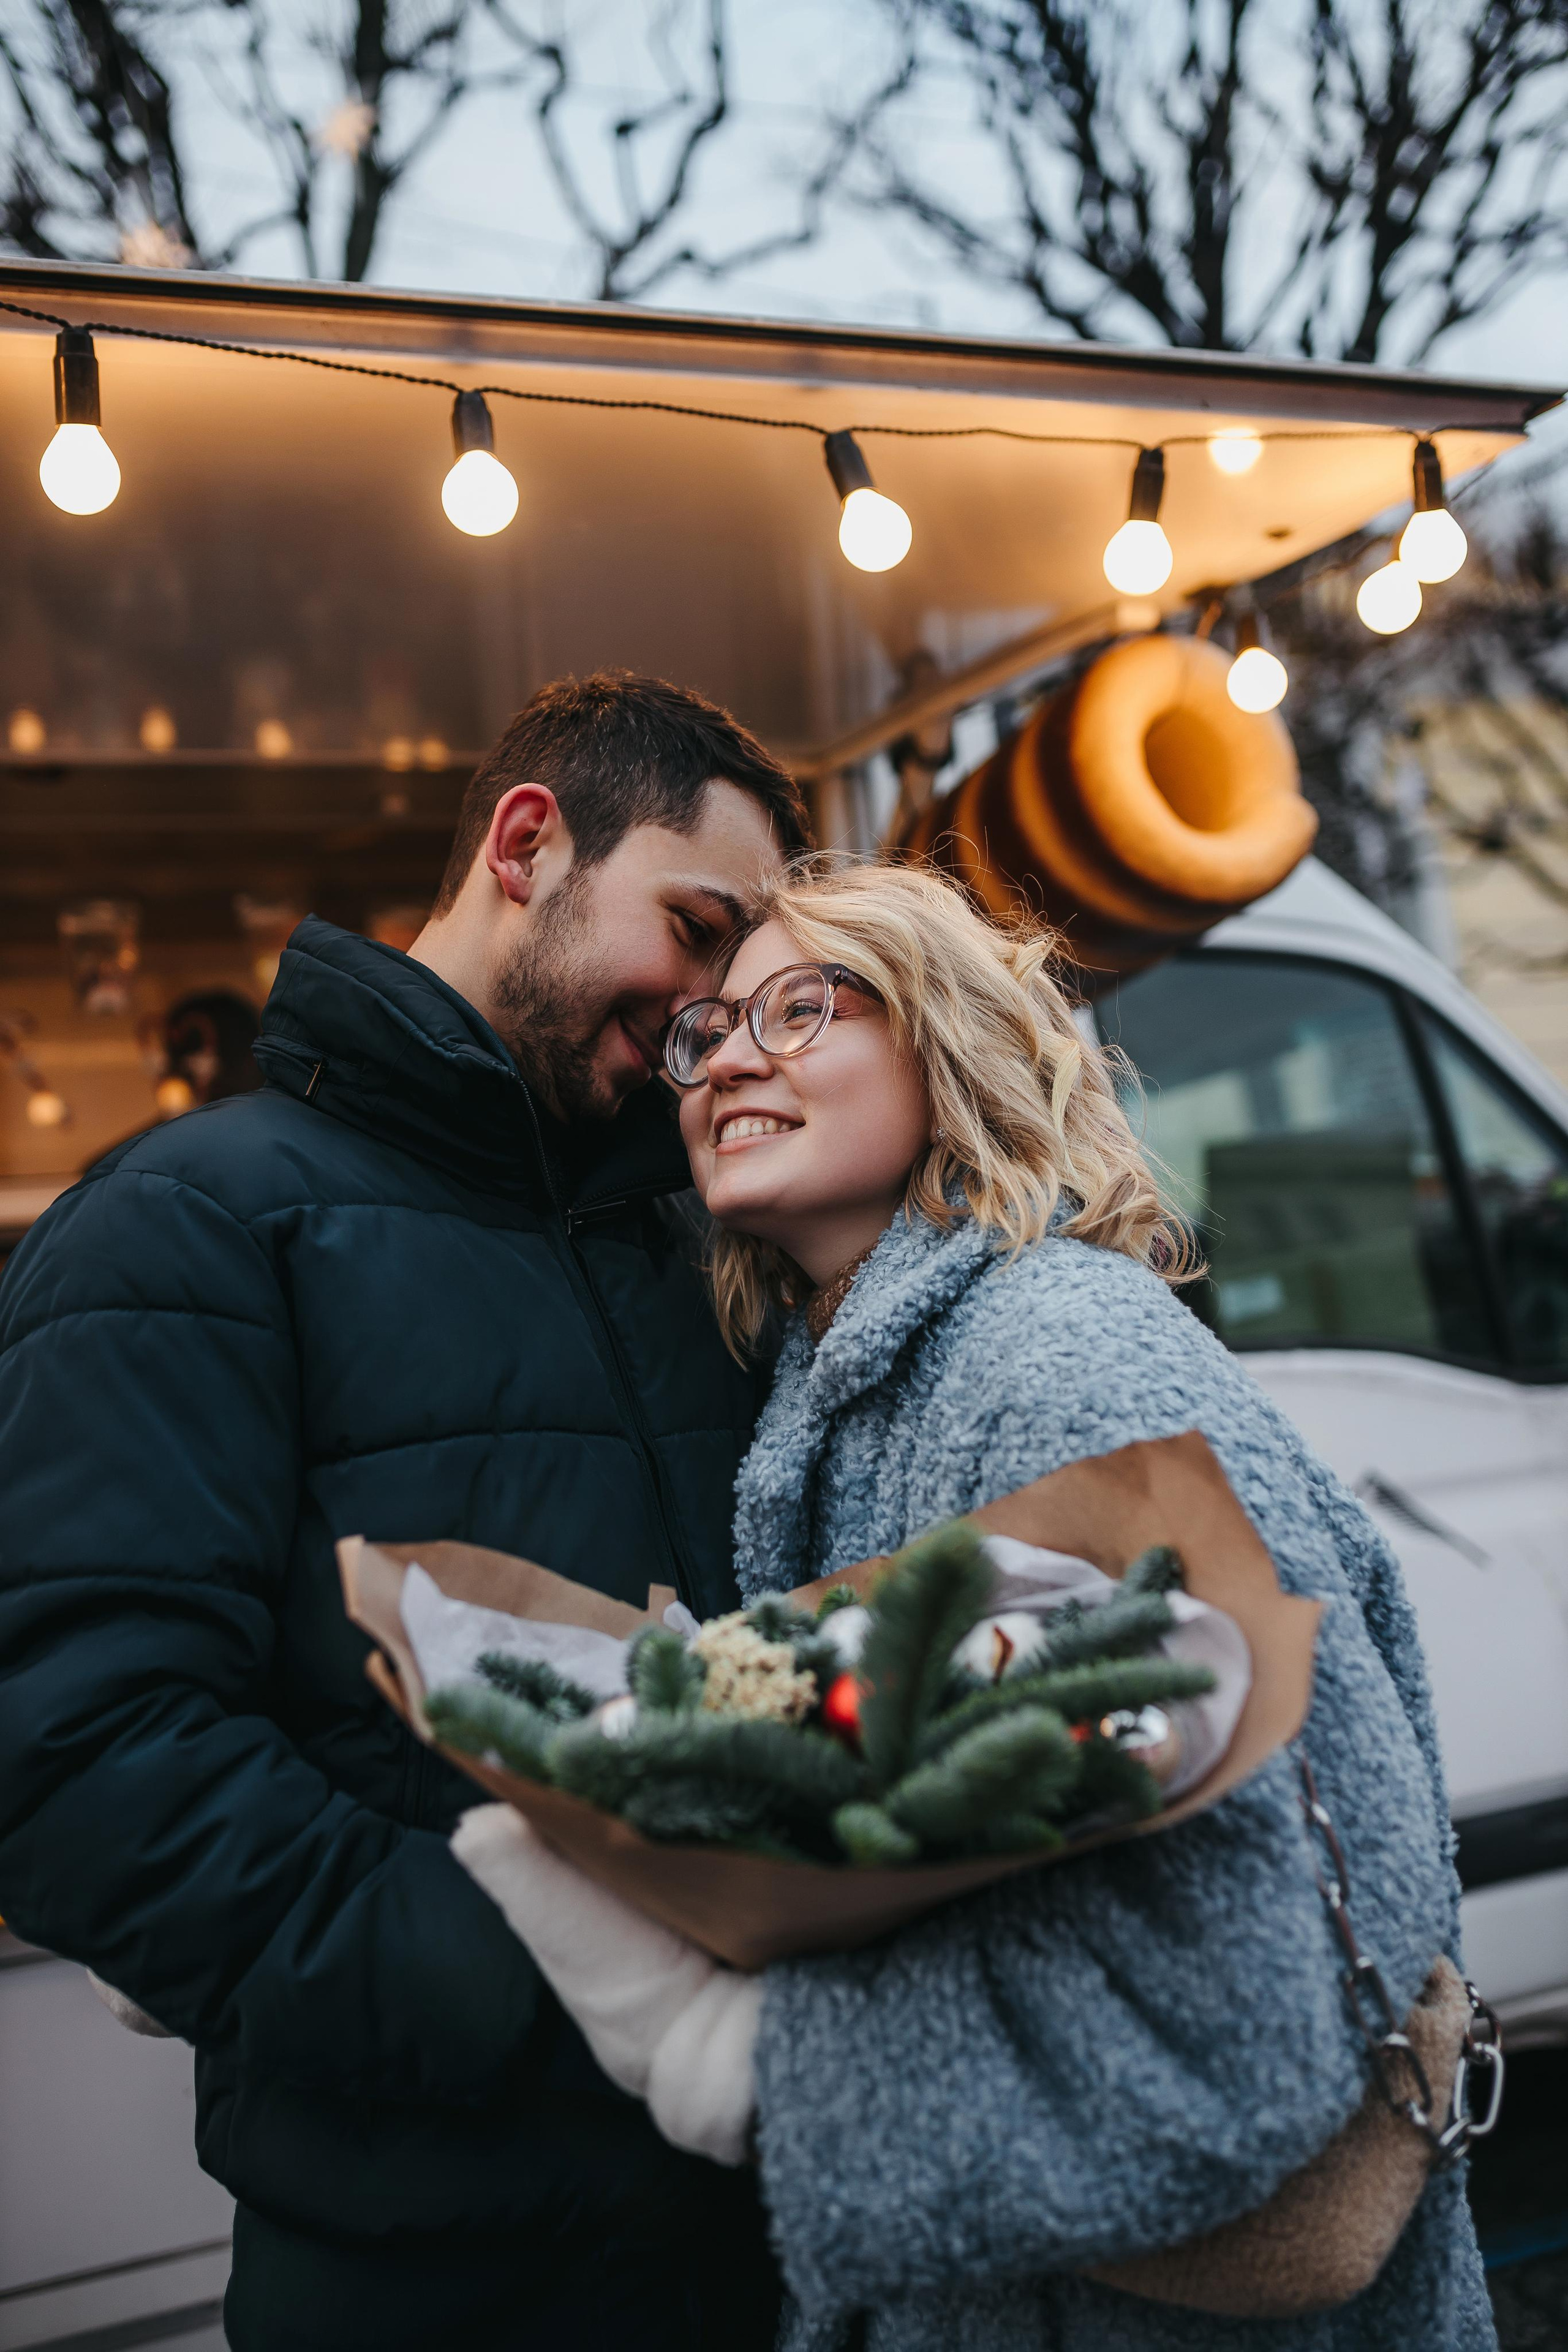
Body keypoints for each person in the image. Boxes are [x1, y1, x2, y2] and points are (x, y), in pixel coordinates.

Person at [456, 859, 1495, 2352]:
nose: (727, 1057)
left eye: (798, 1008)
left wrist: (751, 2061)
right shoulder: (833, 1391)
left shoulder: (1059, 1356)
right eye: (707, 1030)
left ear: (942, 1034)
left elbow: (1253, 1984)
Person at [0, 672, 808, 2352]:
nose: (706, 1017)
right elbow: (77, 1755)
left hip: (770, 2247)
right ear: (527, 845)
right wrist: (541, 1981)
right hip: (429, 2277)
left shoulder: (698, 1245)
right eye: (694, 928)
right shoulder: (184, 1225)